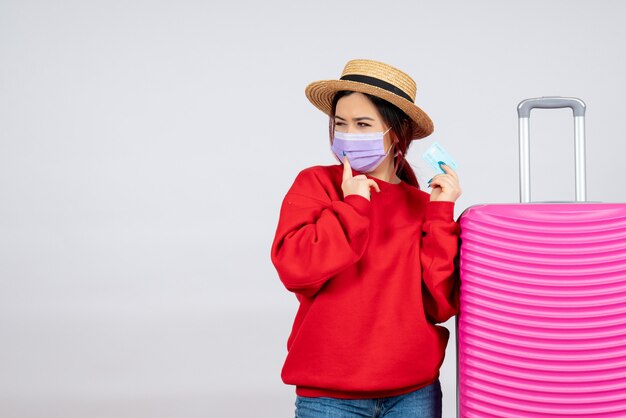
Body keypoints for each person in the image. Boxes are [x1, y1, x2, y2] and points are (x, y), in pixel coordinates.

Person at [270, 59, 462, 418]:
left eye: (363, 124)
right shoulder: (316, 184)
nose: (348, 135)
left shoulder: (422, 205)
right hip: (328, 395)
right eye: (340, 124)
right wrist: (353, 204)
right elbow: (296, 270)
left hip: (413, 393)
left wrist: (440, 213)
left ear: (398, 130)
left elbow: (440, 305)